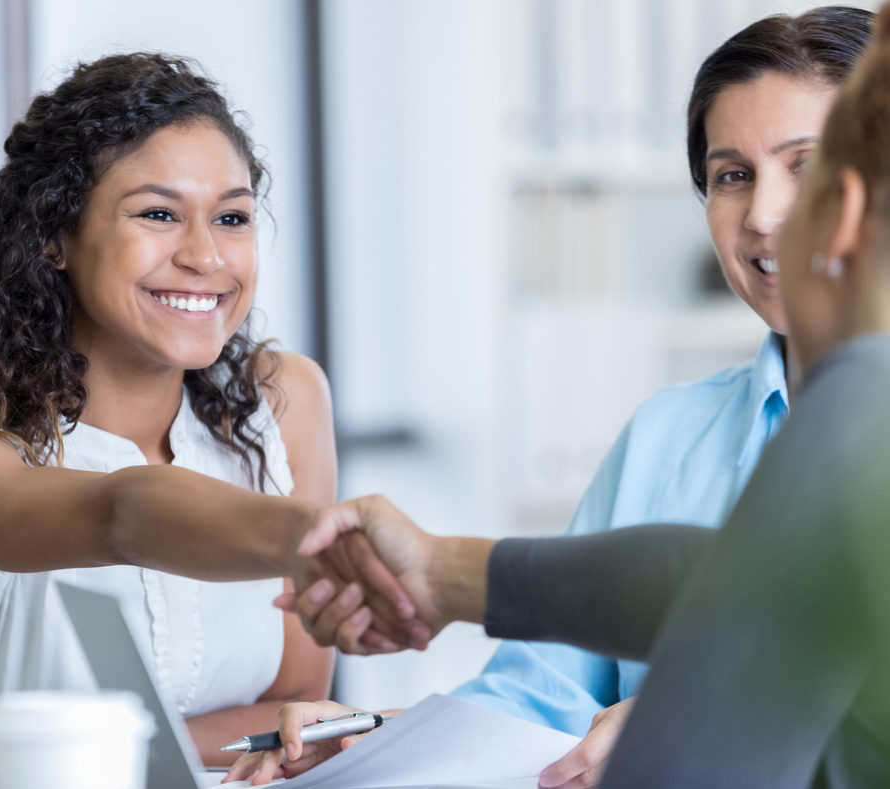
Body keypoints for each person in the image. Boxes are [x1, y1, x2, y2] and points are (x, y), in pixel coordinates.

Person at [238, 2, 890, 783]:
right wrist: (377, 731)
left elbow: (746, 595)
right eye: (731, 176)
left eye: (805, 166)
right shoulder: (668, 433)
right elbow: (541, 699)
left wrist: (450, 575)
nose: (763, 215)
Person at [0, 52, 414, 778]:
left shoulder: (283, 406)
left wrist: (288, 732)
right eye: (158, 214)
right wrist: (315, 537)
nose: (204, 256)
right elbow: (122, 512)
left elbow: (288, 702)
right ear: (54, 235)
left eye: (231, 217)